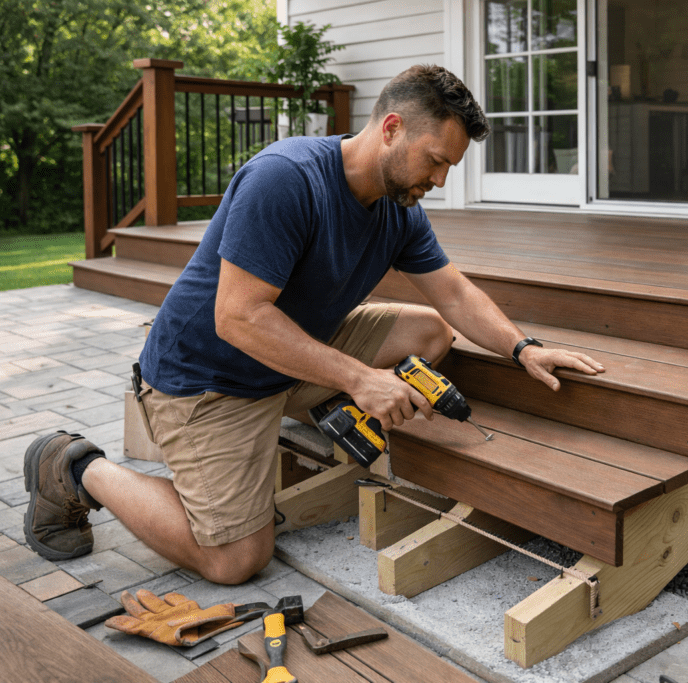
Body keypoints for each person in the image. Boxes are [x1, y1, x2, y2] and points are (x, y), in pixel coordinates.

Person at [23, 65, 604, 584]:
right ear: (392, 128)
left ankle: (322, 402)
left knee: (429, 331)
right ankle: (74, 464)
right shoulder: (286, 179)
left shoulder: (398, 208)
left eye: (449, 167)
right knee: (235, 560)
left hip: (287, 360)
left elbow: (453, 292)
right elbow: (237, 318)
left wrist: (523, 348)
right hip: (209, 381)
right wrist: (359, 379)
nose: (441, 180)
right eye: (435, 160)